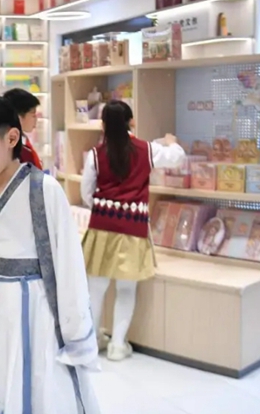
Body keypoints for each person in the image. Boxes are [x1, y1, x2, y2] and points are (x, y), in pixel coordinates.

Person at [0, 94, 100, 414]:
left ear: (11, 138)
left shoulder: (44, 190)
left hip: (37, 305)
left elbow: (68, 262)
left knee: (40, 382)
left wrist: (74, 330)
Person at [81, 100, 185, 361]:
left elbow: (86, 192)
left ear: (103, 125)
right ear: (132, 122)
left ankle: (92, 341)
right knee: (126, 289)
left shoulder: (95, 154)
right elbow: (177, 158)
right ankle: (118, 345)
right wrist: (171, 142)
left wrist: (104, 208)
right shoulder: (147, 150)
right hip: (133, 227)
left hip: (102, 227)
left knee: (95, 289)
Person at [2, 88, 43, 169]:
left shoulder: (22, 141)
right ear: (18, 117)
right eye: (33, 115)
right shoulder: (16, 151)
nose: (36, 119)